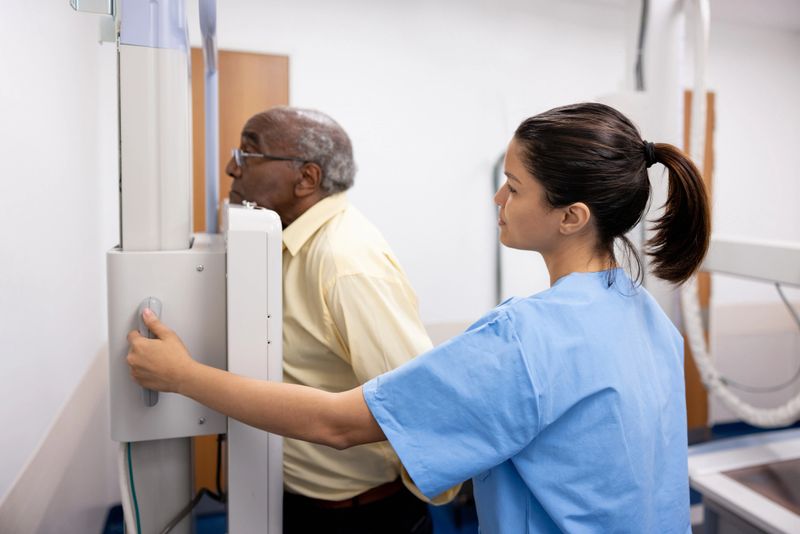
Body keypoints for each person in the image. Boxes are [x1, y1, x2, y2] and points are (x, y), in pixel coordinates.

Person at [128, 102, 710, 533]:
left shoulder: (526, 338)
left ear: (572, 216)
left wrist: (182, 375)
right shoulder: (649, 318)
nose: (497, 201)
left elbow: (340, 423)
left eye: (513, 187)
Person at [224, 107, 453, 533]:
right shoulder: (286, 243)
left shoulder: (344, 261)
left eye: (248, 153)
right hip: (300, 502)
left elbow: (415, 404)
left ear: (306, 178)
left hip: (359, 515)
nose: (231, 167)